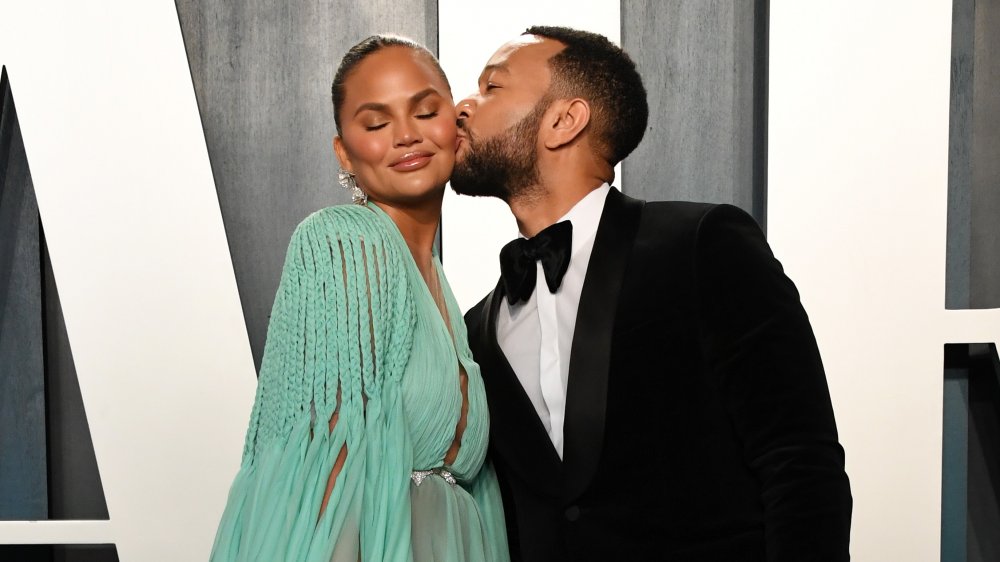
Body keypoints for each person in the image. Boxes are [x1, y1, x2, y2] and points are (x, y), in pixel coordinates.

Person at [454, 26, 852, 561]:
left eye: (491, 87)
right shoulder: (478, 326)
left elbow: (799, 460)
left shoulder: (703, 245)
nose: (463, 105)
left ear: (564, 120)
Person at [211, 35, 509, 562]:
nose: (406, 136)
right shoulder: (345, 240)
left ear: (454, 126)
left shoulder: (442, 287)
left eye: (425, 111)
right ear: (344, 151)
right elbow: (327, 462)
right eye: (376, 123)